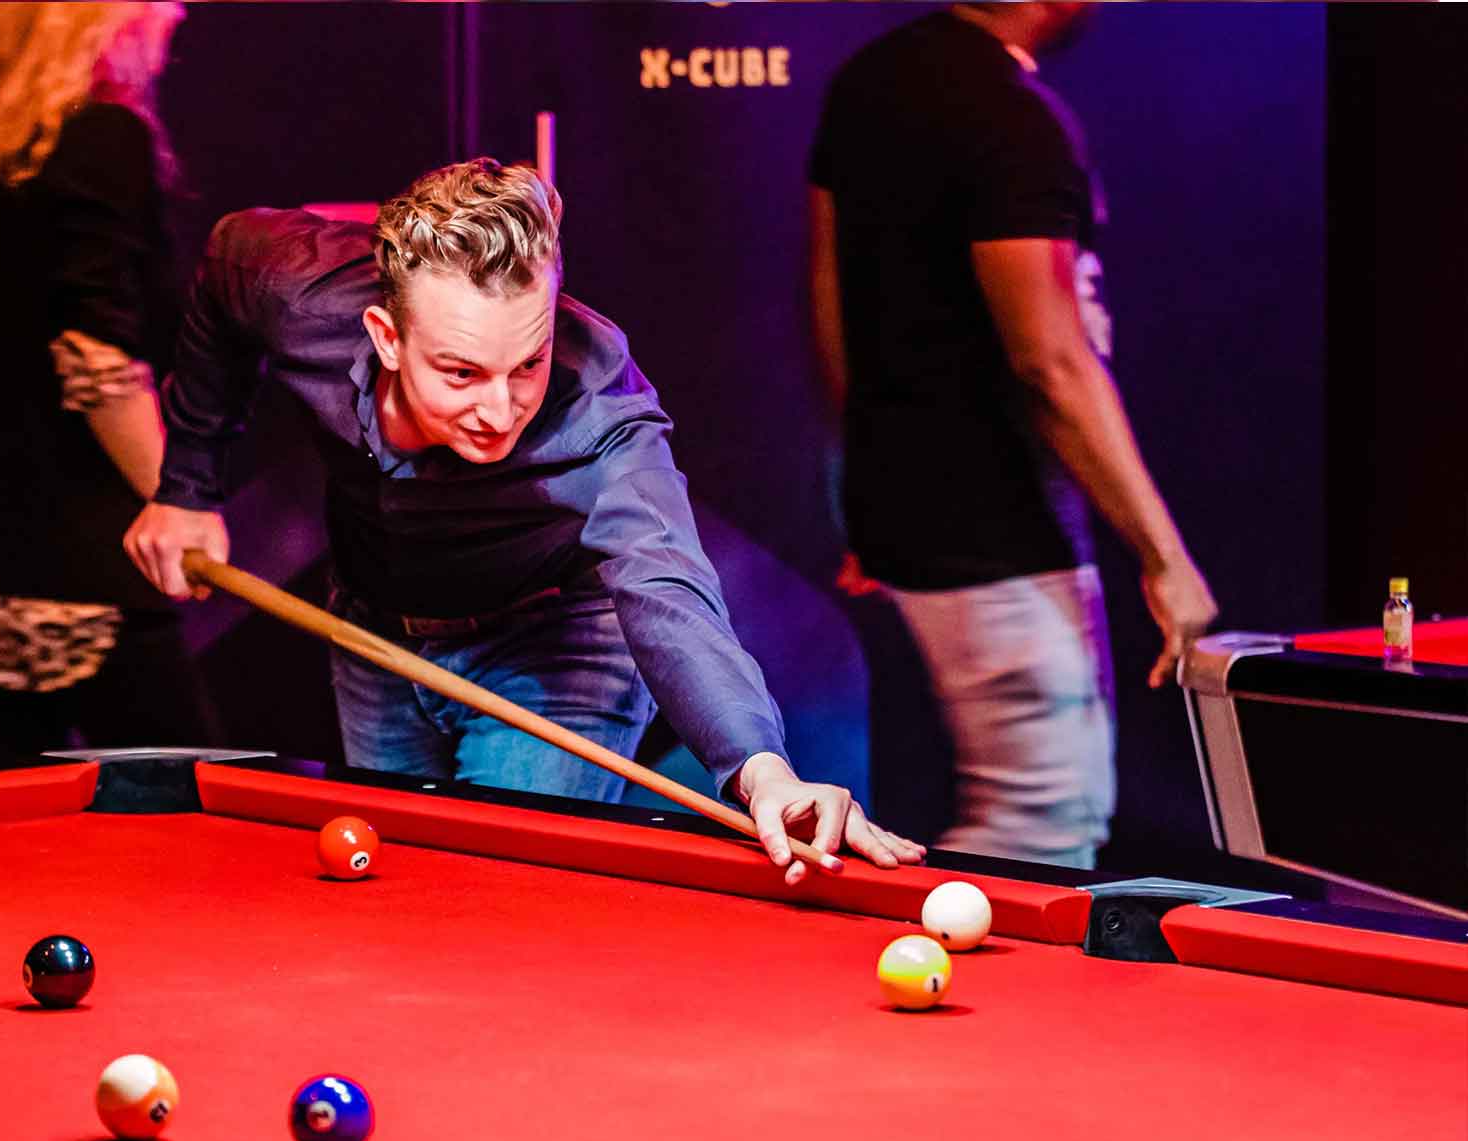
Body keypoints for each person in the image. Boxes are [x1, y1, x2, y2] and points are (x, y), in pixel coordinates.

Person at [125, 159, 924, 877]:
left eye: (528, 364)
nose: (501, 408)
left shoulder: (599, 406)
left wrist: (760, 767)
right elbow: (226, 263)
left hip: (556, 649)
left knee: (491, 896)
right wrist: (186, 486)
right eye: (462, 372)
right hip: (376, 640)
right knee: (395, 890)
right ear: (388, 337)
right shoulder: (294, 291)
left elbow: (668, 588)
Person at [806, 3, 1218, 869]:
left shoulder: (871, 79)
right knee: (1043, 824)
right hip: (994, 527)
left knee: (1033, 818)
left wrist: (864, 487)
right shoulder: (1011, 117)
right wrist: (1165, 559)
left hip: (914, 514)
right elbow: (1052, 362)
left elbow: (830, 296)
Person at [0, 1, 217, 764]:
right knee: (187, 800)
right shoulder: (103, 136)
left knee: (2, 821)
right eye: (156, 12)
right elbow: (94, 357)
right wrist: (180, 501)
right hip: (86, 556)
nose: (168, 25)